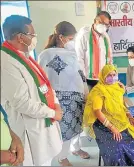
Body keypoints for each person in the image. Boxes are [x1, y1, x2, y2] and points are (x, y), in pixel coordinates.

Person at [1, 15, 63, 166]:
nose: (35, 37)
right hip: (29, 129)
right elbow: (22, 103)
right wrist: (53, 113)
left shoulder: (25, 56)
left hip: (44, 121)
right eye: (32, 35)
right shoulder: (5, 62)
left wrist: (56, 104)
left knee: (46, 160)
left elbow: (45, 85)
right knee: (36, 162)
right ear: (20, 37)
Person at [83, 64, 134, 166]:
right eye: (109, 75)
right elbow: (97, 111)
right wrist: (112, 128)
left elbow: (122, 105)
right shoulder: (98, 91)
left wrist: (130, 117)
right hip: (103, 125)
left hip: (121, 120)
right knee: (118, 147)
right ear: (103, 76)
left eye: (114, 74)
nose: (112, 77)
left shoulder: (118, 88)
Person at [38, 21, 90, 166]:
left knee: (77, 125)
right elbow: (41, 78)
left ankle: (76, 148)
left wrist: (85, 92)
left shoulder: (72, 54)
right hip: (56, 99)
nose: (71, 41)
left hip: (75, 97)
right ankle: (62, 157)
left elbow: (80, 75)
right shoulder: (45, 55)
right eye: (70, 38)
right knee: (63, 129)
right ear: (61, 37)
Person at [75, 11, 113, 89]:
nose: (103, 26)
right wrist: (82, 80)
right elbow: (79, 58)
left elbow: (109, 58)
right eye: (101, 22)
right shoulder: (84, 35)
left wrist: (111, 78)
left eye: (106, 24)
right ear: (95, 21)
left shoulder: (105, 37)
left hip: (103, 79)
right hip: (88, 79)